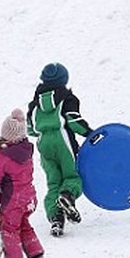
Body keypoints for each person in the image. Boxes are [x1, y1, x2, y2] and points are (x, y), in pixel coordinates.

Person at [26, 64, 91, 237]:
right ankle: (68, 196)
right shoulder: (67, 98)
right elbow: (73, 121)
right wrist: (90, 134)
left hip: (44, 144)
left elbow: (30, 129)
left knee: (53, 182)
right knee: (72, 176)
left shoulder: (34, 104)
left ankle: (56, 218)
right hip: (63, 142)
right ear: (64, 80)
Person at [0, 108, 46, 258]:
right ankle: (37, 256)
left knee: (9, 229)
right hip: (29, 198)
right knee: (24, 225)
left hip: (13, 201)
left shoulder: (3, 158)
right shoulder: (26, 151)